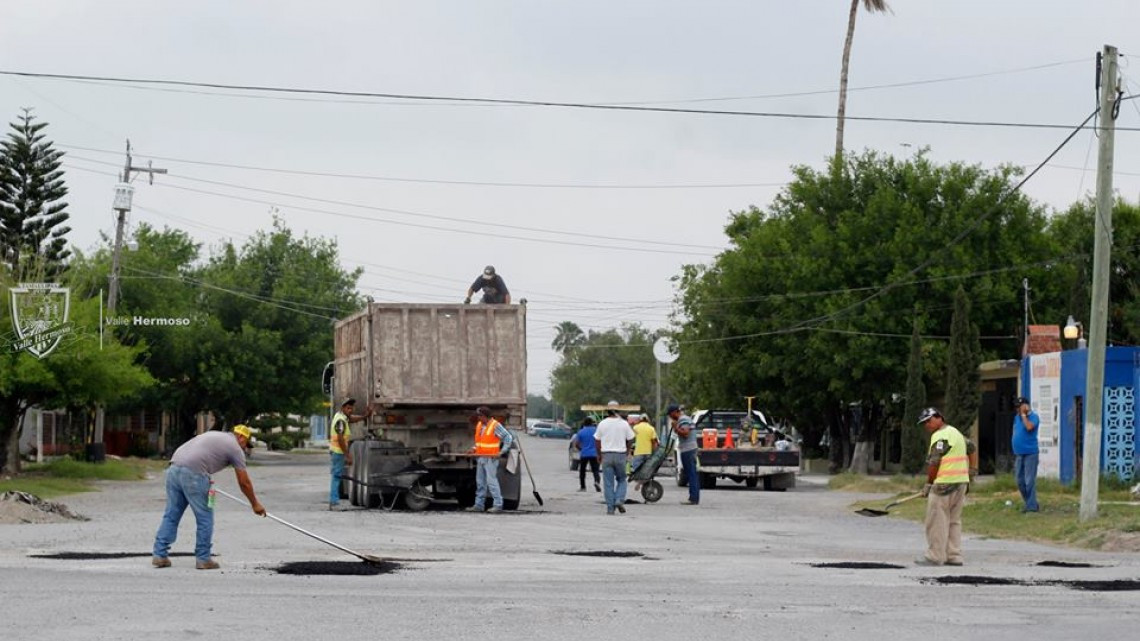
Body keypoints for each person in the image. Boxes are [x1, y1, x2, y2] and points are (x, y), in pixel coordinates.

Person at [152, 425, 265, 570]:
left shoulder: (214, 434)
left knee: (171, 514)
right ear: (241, 437)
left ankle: (159, 554)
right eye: (245, 444)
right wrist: (255, 504)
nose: (244, 448)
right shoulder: (235, 448)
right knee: (204, 517)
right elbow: (244, 482)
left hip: (174, 469)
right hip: (194, 474)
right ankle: (203, 558)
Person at [915, 407, 969, 567]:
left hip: (944, 483)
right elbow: (971, 448)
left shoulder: (940, 436)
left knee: (936, 520)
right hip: (961, 482)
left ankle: (935, 556)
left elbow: (934, 462)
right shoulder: (956, 433)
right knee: (954, 520)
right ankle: (954, 556)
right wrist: (971, 472)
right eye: (924, 423)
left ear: (939, 418)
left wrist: (929, 483)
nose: (927, 425)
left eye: (929, 421)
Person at [467, 406, 514, 512]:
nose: (478, 418)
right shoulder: (480, 425)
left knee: (491, 482)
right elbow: (481, 442)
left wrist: (502, 452)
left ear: (485, 416)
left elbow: (508, 438)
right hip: (481, 458)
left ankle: (498, 505)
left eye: (480, 416)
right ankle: (479, 505)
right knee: (480, 483)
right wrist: (474, 449)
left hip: (491, 458)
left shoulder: (495, 425)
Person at [329, 397, 372, 510]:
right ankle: (334, 502)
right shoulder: (340, 420)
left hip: (337, 451)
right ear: (343, 408)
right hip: (338, 452)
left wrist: (364, 416)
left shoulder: (342, 417)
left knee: (336, 476)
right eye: (348, 408)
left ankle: (334, 501)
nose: (350, 410)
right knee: (337, 476)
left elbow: (352, 419)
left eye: (351, 408)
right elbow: (340, 439)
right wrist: (347, 454)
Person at [594, 402, 635, 514]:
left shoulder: (602, 424)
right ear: (618, 410)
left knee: (608, 483)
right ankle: (618, 499)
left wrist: (598, 454)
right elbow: (631, 438)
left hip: (606, 455)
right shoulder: (624, 424)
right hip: (620, 455)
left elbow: (597, 440)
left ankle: (610, 508)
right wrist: (627, 450)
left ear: (607, 411)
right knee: (622, 479)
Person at [1012, 396, 1040, 513]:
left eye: (1020, 407)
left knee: (1029, 481)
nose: (1018, 409)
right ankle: (1030, 503)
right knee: (1019, 481)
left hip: (1030, 453)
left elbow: (1029, 427)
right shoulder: (1016, 418)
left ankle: (1031, 507)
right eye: (1017, 408)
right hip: (1019, 453)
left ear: (1026, 406)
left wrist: (1024, 415)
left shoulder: (1034, 417)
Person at [669, 404, 700, 505]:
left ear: (675, 412)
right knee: (692, 473)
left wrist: (675, 428)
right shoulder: (684, 419)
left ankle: (693, 498)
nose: (670, 416)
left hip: (688, 449)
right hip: (689, 449)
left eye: (670, 414)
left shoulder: (683, 419)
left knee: (691, 474)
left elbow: (686, 433)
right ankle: (693, 497)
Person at [629, 413, 659, 492]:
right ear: (648, 420)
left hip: (638, 452)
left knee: (637, 469)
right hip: (648, 452)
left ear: (640, 420)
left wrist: (630, 450)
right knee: (647, 469)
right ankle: (644, 481)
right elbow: (654, 442)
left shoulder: (636, 428)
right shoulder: (651, 428)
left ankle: (639, 481)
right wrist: (654, 452)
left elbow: (631, 439)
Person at [573, 416, 601, 492]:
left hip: (584, 454)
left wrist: (581, 449)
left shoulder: (581, 432)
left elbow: (576, 444)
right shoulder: (596, 431)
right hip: (594, 454)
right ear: (592, 423)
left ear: (584, 423)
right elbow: (600, 442)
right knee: (595, 470)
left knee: (582, 471)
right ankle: (597, 482)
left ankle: (583, 487)